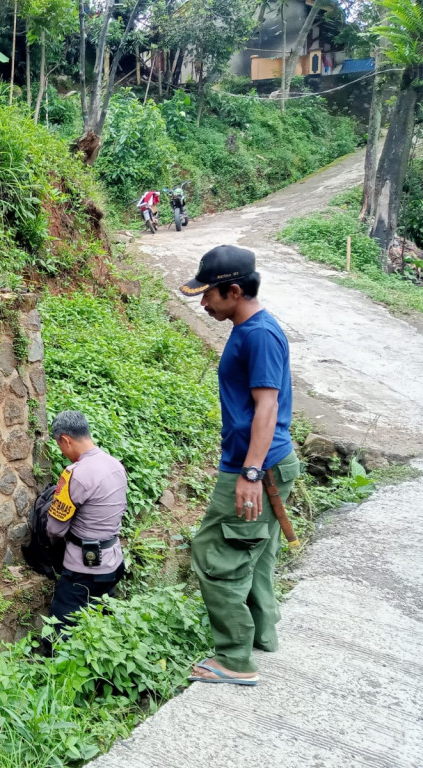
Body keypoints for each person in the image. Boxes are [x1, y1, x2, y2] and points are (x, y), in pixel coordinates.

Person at [180, 245, 300, 686]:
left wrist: (249, 473)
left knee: (217, 553)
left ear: (233, 290)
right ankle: (263, 634)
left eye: (207, 295)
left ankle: (234, 658)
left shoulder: (259, 335)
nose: (204, 303)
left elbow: (266, 407)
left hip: (256, 468)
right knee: (259, 553)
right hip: (263, 463)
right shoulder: (248, 327)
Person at [44, 410, 128, 649]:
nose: (62, 452)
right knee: (100, 625)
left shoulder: (76, 475)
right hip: (113, 563)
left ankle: (57, 675)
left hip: (83, 570)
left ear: (66, 440)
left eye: (60, 446)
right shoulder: (115, 465)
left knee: (58, 633)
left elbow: (55, 528)